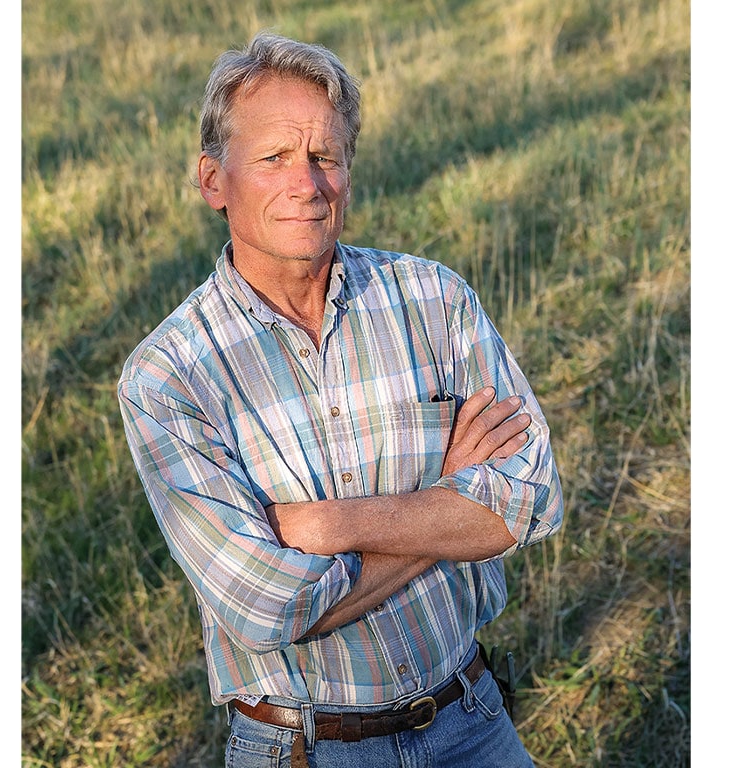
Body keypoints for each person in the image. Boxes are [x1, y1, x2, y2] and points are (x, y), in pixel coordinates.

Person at [118, 31, 564, 768]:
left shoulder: (434, 298)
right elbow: (266, 609)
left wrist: (324, 526)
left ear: (349, 173)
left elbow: (530, 499)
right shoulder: (168, 376)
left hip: (471, 719)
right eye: (273, 158)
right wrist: (448, 507)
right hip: (303, 748)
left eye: (325, 156)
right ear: (213, 181)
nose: (307, 182)